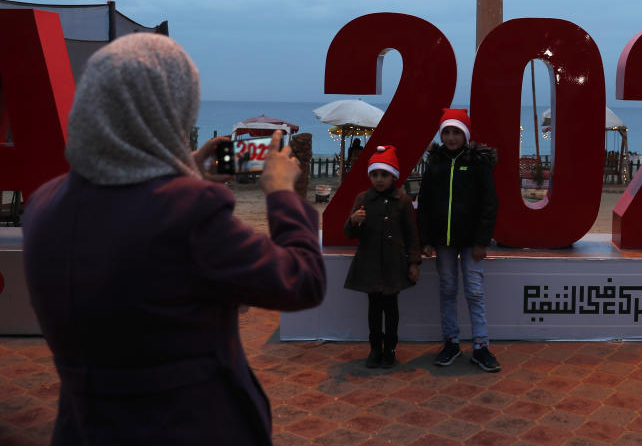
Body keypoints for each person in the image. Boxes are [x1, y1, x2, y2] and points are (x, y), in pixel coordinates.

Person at [22, 34, 326, 446]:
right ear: (169, 112)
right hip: (192, 426)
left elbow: (131, 231)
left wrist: (188, 173)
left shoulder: (44, 205)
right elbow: (301, 280)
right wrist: (282, 194)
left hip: (84, 426)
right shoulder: (189, 212)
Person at [417, 108, 500, 372]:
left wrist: (481, 241)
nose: (451, 138)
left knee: (475, 292)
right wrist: (426, 239)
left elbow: (490, 203)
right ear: (441, 135)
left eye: (456, 132)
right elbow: (426, 204)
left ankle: (481, 347)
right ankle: (451, 342)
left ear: (465, 134)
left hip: (471, 242)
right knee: (448, 290)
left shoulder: (478, 163)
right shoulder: (435, 163)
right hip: (443, 242)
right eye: (447, 132)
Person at [344, 145, 420, 368]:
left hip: (394, 264)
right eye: (375, 174)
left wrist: (414, 263)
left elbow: (412, 234)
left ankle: (390, 349)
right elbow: (349, 233)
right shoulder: (362, 198)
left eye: (384, 175)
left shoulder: (403, 200)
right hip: (370, 264)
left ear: (393, 176)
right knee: (374, 309)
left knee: (392, 308)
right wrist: (353, 221)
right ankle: (375, 349)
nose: (379, 179)